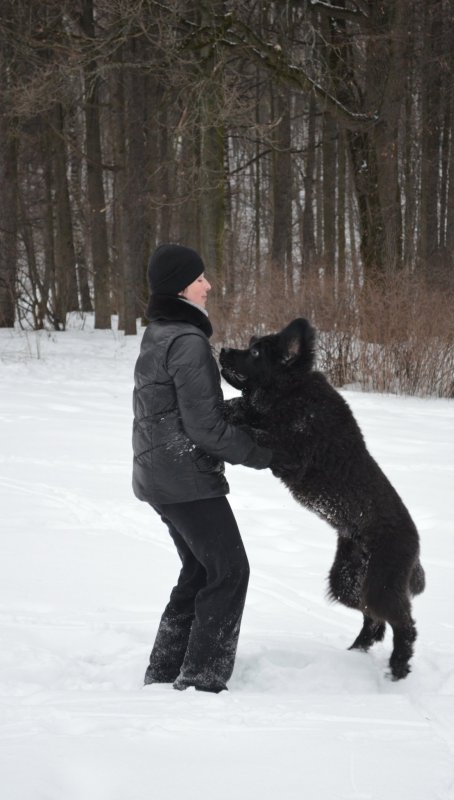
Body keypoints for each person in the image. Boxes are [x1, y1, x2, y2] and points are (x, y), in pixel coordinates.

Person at [132, 243, 273, 693]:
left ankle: (165, 670)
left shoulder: (159, 332)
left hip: (161, 475)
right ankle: (202, 680)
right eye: (199, 279)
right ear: (179, 287)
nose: (208, 285)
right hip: (185, 479)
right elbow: (205, 428)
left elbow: (179, 409)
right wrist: (265, 454)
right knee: (229, 572)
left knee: (198, 572)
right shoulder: (188, 342)